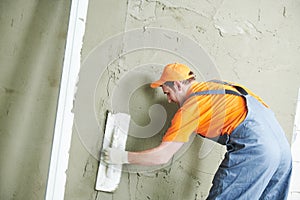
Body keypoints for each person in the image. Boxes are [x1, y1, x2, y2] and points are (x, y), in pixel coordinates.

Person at [103, 63, 292, 199]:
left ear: (177, 85)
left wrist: (121, 157)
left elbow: (161, 156)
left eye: (167, 93)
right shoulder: (217, 87)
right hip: (283, 150)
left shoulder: (191, 107)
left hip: (258, 149)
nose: (168, 100)